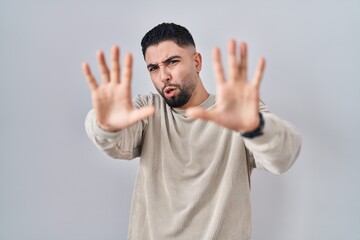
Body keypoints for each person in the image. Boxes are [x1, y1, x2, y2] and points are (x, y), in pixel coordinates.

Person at [82, 22, 301, 240]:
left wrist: (255, 127)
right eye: (153, 68)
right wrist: (105, 124)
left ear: (197, 62)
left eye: (172, 62)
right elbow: (115, 141)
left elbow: (283, 156)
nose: (164, 75)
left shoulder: (236, 113)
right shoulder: (147, 110)